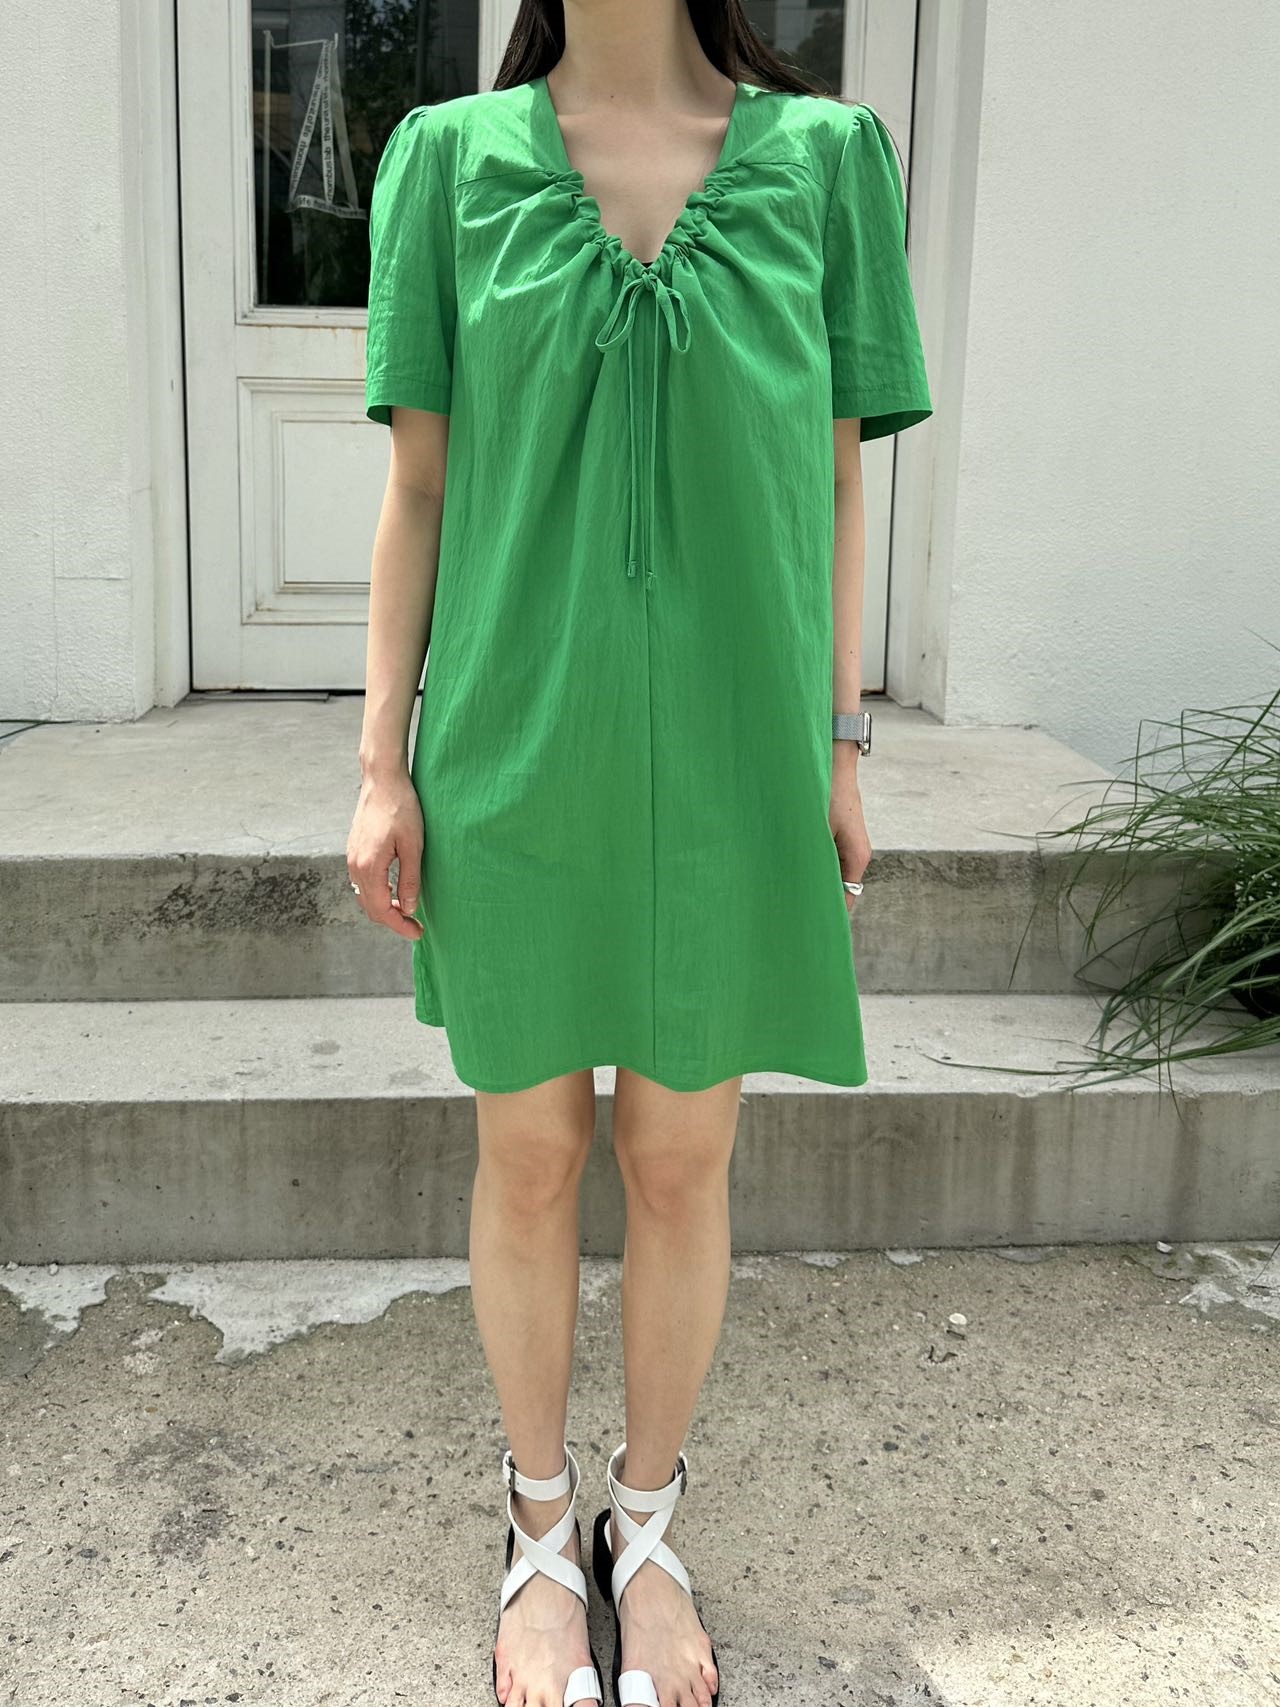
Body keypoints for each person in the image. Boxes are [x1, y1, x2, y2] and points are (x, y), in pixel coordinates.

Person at [348, 3, 932, 1703]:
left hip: (736, 760)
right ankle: (541, 1532)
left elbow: (836, 483)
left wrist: (840, 745)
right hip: (516, 748)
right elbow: (421, 490)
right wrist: (380, 767)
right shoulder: (447, 163)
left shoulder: (828, 162)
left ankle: (647, 1526)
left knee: (682, 1160)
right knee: (531, 1155)